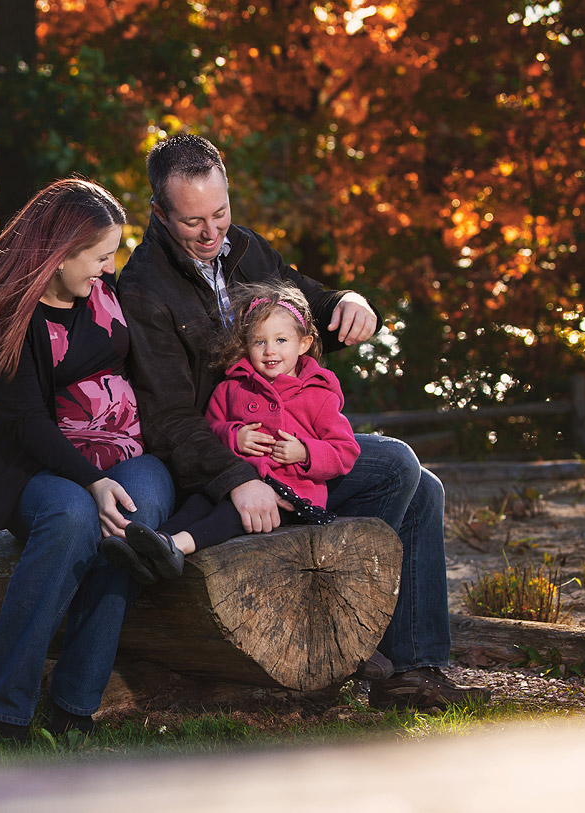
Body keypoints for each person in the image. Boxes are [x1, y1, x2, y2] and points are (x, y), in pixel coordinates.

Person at [116, 133, 489, 711]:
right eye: (193, 223)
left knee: (425, 491)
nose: (213, 234)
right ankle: (340, 604)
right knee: (395, 466)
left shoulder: (246, 250)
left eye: (221, 213)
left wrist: (351, 299)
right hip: (219, 459)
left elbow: (308, 306)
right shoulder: (143, 290)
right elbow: (168, 421)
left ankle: (412, 669)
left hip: (287, 445)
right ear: (159, 215)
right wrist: (238, 477)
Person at [0, 177, 175, 742]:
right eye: (98, 256)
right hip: (41, 469)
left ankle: (75, 703)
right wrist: (91, 481)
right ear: (60, 253)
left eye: (111, 254)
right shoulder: (12, 315)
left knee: (131, 522)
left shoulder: (109, 290)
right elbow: (27, 423)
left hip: (132, 453)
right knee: (72, 521)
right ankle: (3, 711)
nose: (107, 267)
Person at [101, 282, 360, 582]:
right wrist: (234, 435)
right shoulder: (233, 386)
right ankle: (150, 545)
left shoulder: (318, 394)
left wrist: (305, 452)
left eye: (281, 340)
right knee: (200, 503)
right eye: (259, 342)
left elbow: (345, 450)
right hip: (237, 480)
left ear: (303, 344)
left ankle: (176, 547)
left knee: (232, 516)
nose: (270, 350)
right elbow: (210, 429)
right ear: (245, 344)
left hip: (288, 494)